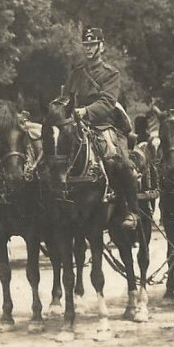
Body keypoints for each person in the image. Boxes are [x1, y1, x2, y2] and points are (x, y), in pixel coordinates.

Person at [64, 27, 140, 231]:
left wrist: (85, 111)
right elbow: (66, 99)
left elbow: (107, 102)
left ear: (101, 47)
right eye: (86, 45)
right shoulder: (76, 74)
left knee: (122, 164)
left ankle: (130, 210)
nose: (88, 49)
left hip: (105, 125)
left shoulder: (110, 73)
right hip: (78, 126)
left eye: (92, 45)